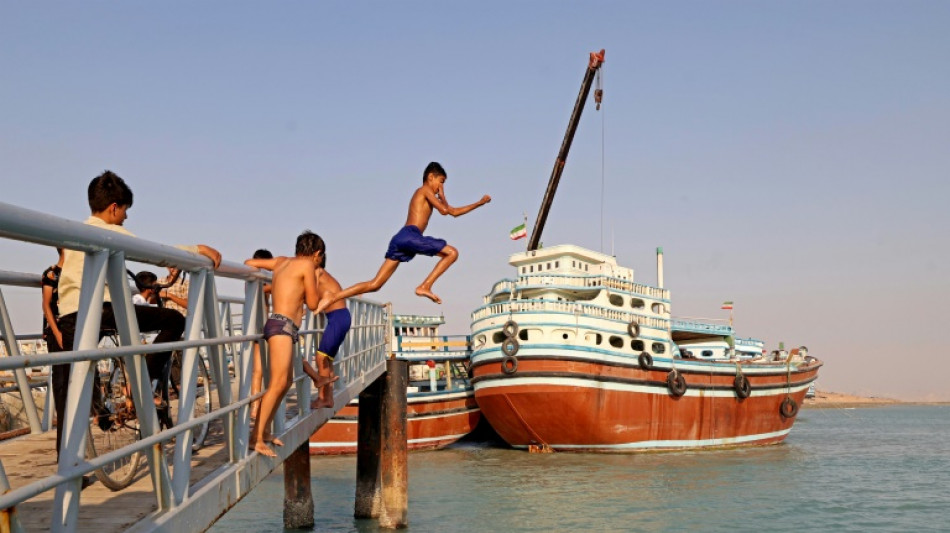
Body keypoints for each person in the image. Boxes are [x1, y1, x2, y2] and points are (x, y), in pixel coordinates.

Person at [56, 171, 222, 437]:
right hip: (102, 311)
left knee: (72, 382)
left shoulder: (77, 234)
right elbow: (153, 252)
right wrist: (197, 249)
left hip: (69, 315)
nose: (126, 218)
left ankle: (71, 466)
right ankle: (143, 378)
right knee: (174, 320)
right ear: (113, 208)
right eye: (124, 211)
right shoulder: (109, 232)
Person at [315, 162, 490, 312]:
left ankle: (333, 297)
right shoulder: (424, 190)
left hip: (402, 239)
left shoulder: (427, 194)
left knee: (375, 284)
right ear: (431, 177)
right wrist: (443, 196)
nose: (440, 187)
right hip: (410, 235)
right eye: (441, 182)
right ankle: (425, 286)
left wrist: (479, 203)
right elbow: (446, 211)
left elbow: (453, 212)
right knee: (452, 253)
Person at [243, 232, 338, 457]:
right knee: (277, 383)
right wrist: (313, 286)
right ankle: (255, 438)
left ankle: (264, 432)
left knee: (285, 383)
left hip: (280, 325)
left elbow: (249, 263)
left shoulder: (282, 261)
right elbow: (313, 303)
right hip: (283, 326)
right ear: (317, 254)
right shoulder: (307, 266)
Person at [312, 251, 350, 409]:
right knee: (326, 359)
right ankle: (329, 398)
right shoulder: (321, 274)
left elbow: (310, 297)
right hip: (338, 317)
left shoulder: (318, 272)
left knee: (321, 358)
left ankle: (323, 398)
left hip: (338, 317)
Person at [42, 248, 68, 459]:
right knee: (61, 386)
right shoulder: (52, 274)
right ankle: (63, 453)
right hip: (58, 332)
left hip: (76, 331)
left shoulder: (78, 273)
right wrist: (57, 333)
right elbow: (46, 306)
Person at [249, 248, 273, 420]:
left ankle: (256, 406)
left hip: (258, 323)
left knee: (260, 369)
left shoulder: (254, 276)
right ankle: (256, 407)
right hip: (259, 324)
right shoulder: (257, 277)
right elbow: (263, 291)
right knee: (259, 369)